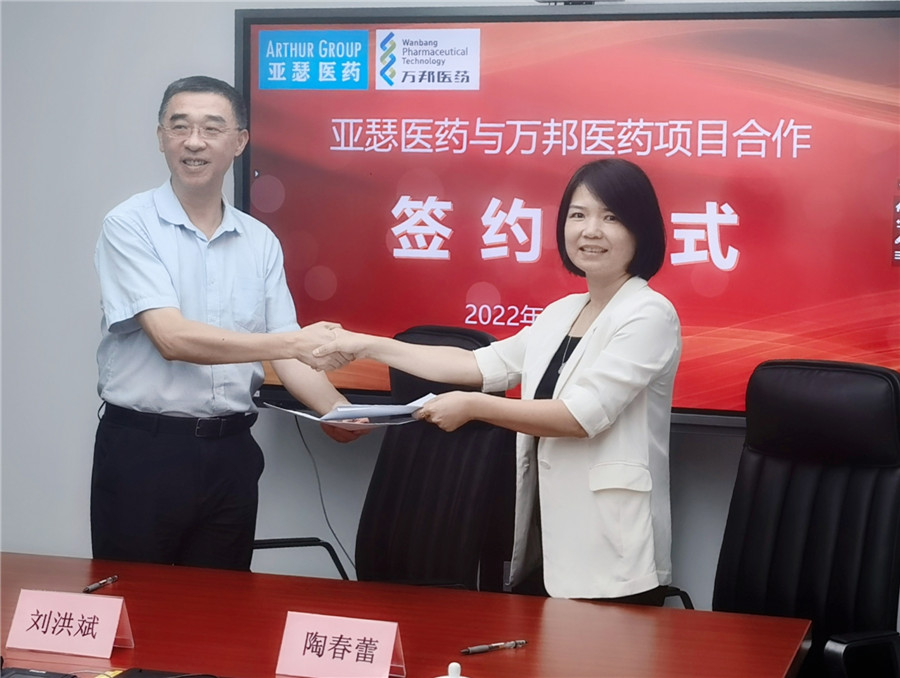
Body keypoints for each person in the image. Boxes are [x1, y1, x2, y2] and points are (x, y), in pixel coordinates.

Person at [314, 159, 681, 602]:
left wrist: (474, 407)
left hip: (612, 550)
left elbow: (579, 417)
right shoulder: (562, 312)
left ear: (641, 230)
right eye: (578, 215)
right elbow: (476, 365)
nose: (590, 230)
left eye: (611, 217)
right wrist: (367, 345)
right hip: (548, 541)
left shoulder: (649, 313)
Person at [92, 75, 359, 571]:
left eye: (212, 128)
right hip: (144, 452)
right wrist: (292, 344)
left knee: (222, 606)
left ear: (239, 142)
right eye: (179, 127)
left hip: (232, 453)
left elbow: (287, 352)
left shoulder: (259, 240)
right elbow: (172, 338)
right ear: (161, 138)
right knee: (136, 601)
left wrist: (337, 410)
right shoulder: (128, 225)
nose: (194, 142)